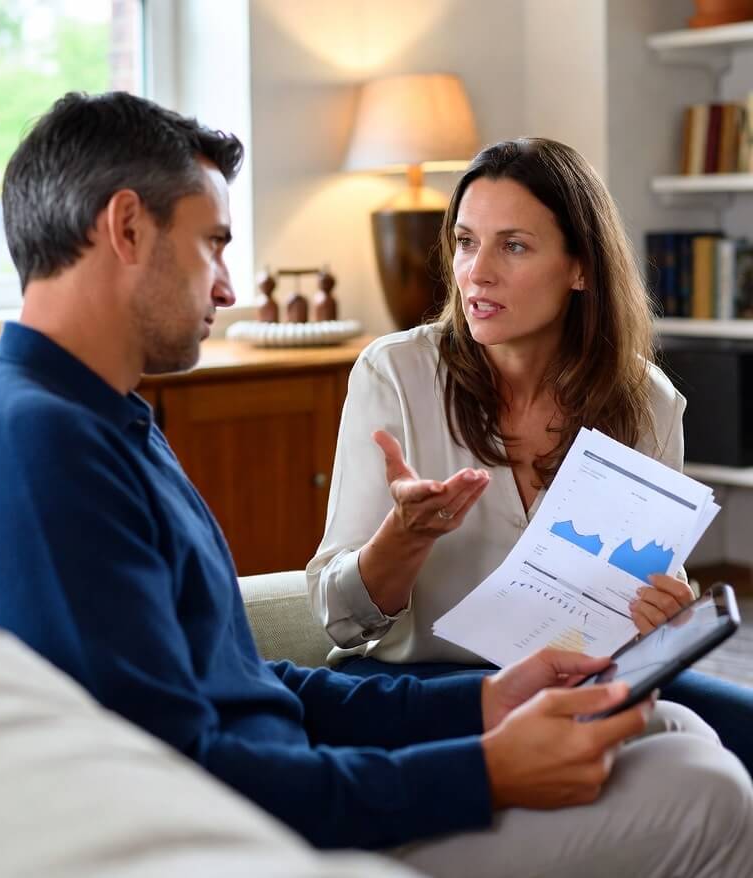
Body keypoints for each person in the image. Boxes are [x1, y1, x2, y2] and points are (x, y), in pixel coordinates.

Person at [0, 93, 750, 878]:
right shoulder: (38, 442)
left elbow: (244, 685)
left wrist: (486, 702)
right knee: (708, 789)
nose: (228, 290)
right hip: (291, 828)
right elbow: (172, 773)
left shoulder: (109, 421)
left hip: (308, 776)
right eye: (213, 245)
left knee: (680, 736)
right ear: (127, 227)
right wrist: (484, 771)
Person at [307, 137, 753, 774]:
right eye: (465, 242)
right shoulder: (395, 374)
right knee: (682, 762)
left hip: (581, 678)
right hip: (431, 687)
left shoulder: (648, 401)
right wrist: (403, 539)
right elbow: (337, 620)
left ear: (581, 268)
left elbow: (642, 610)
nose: (476, 272)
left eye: (512, 245)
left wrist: (665, 615)